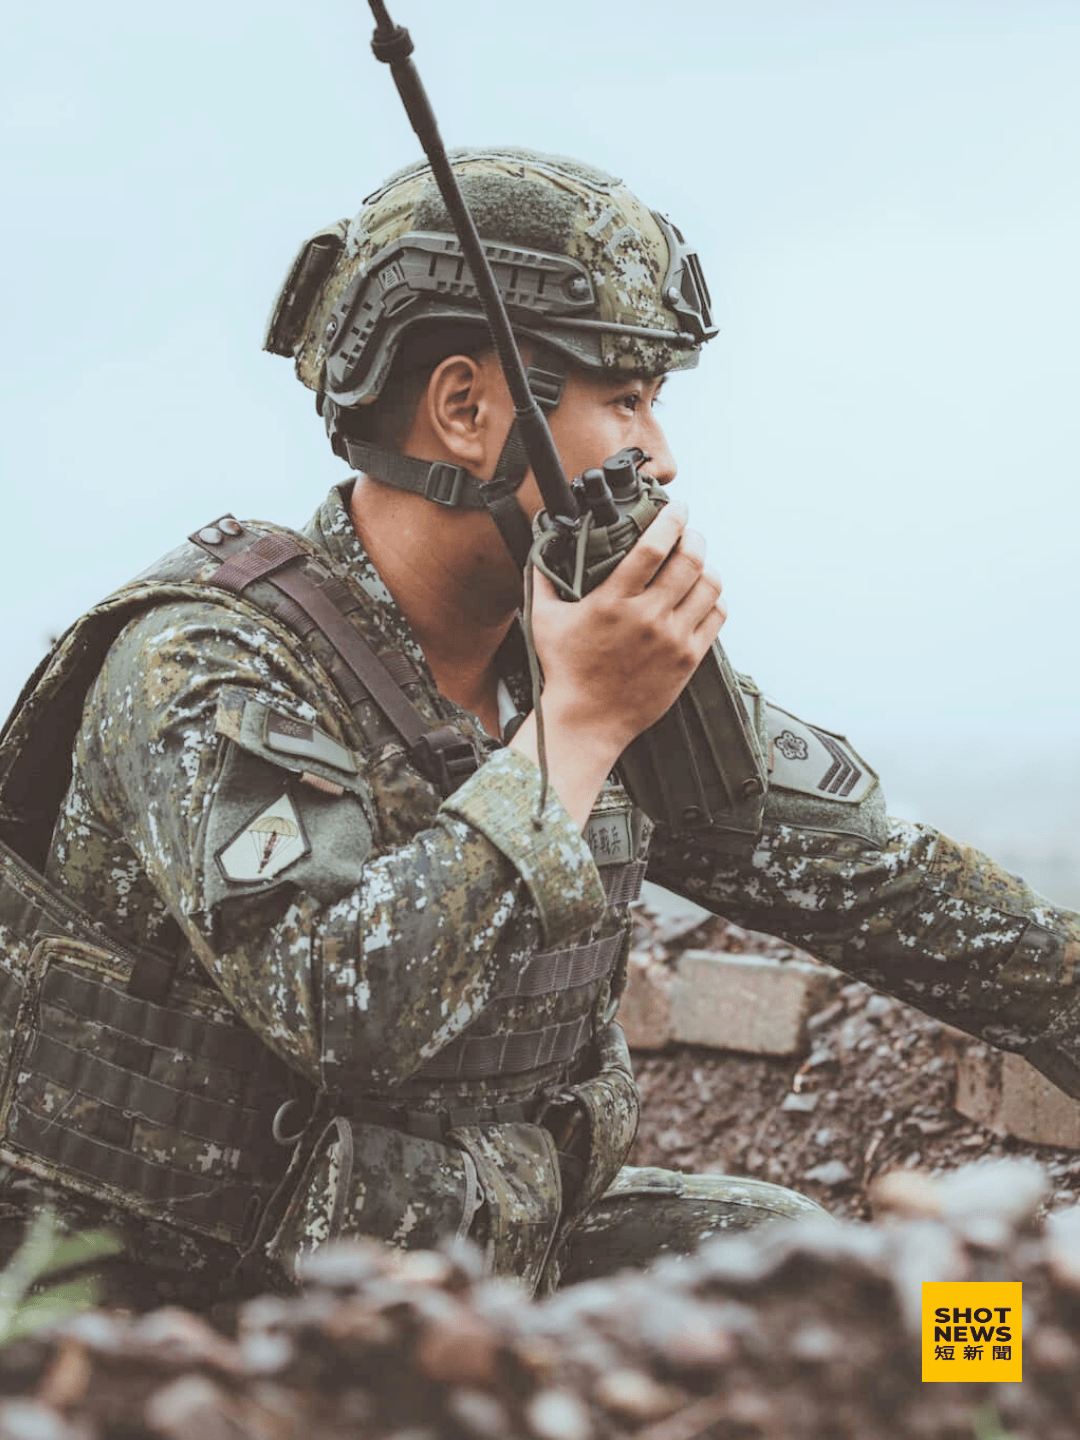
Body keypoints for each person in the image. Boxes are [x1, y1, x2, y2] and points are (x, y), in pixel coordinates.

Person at [1, 147, 1077, 1309]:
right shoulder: (204, 665)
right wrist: (574, 730)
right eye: (625, 399)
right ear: (467, 409)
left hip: (482, 1268)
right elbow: (345, 1006)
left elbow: (885, 885)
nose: (661, 458)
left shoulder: (564, 654)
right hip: (179, 1328)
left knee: (921, 1313)